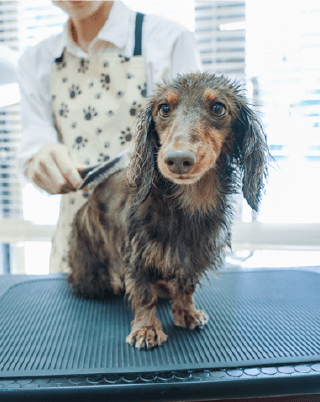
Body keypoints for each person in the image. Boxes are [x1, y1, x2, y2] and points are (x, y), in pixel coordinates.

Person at [17, 0, 202, 273]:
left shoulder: (170, 41)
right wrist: (41, 159)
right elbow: (34, 142)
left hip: (155, 250)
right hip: (77, 251)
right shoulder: (35, 61)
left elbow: (193, 148)